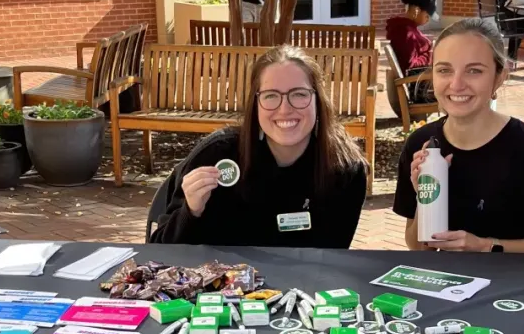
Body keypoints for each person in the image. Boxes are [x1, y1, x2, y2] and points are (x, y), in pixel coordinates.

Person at [150, 45, 367, 247]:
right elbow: (159, 249)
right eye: (271, 96)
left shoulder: (345, 170)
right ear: (256, 105)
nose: (285, 109)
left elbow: (332, 257)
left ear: (319, 101)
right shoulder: (217, 154)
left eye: (299, 94)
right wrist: (191, 211)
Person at [393, 18, 524, 253]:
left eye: (474, 71)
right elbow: (418, 247)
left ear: (499, 77)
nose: (457, 84)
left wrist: (486, 246)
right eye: (444, 70)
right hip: (447, 285)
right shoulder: (422, 146)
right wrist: (425, 198)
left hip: (511, 285)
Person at [386, 0, 436, 103]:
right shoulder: (406, 33)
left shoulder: (408, 28)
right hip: (419, 89)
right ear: (417, 11)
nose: (428, 19)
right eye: (427, 16)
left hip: (421, 83)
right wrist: (430, 54)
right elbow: (410, 66)